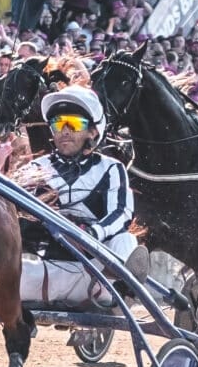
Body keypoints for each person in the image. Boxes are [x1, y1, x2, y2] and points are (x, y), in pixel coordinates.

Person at [21, 86, 134, 306]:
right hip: (49, 270)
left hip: (97, 268)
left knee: (126, 240)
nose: (64, 131)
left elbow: (121, 212)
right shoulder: (35, 168)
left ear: (92, 132)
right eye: (58, 124)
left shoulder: (111, 168)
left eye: (73, 124)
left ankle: (118, 290)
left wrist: (91, 233)